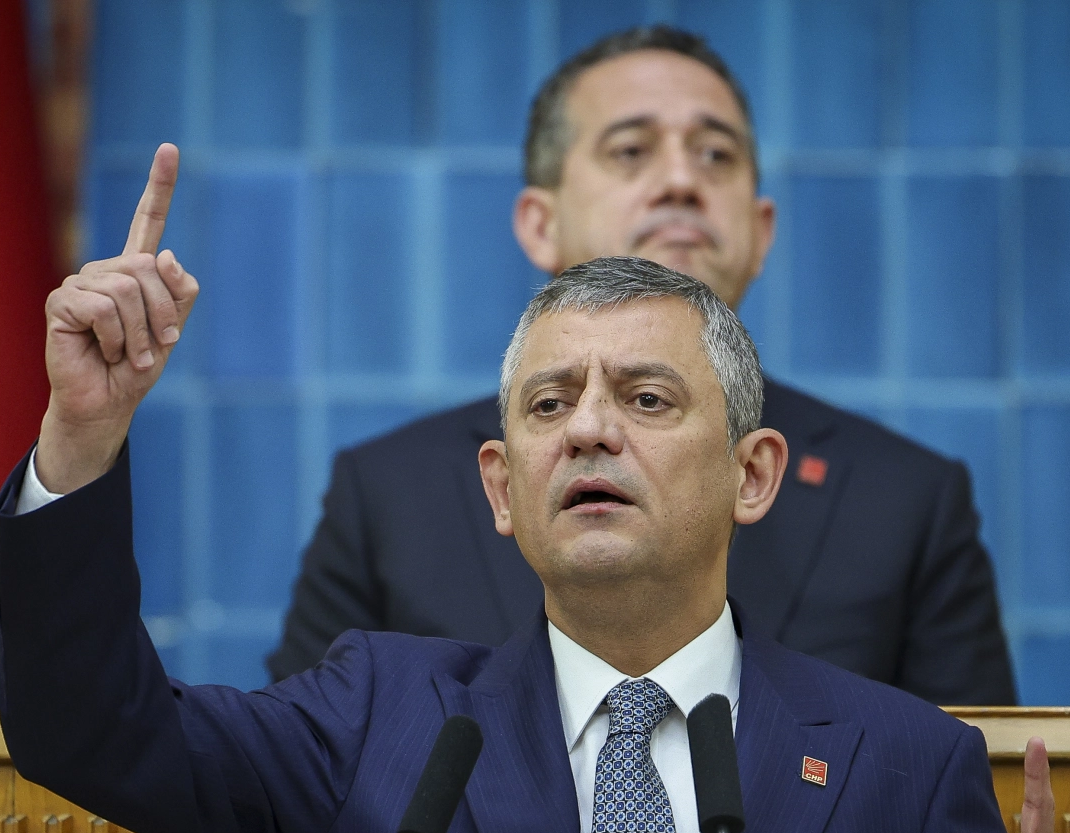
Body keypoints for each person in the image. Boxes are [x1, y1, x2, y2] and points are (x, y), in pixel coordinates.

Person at [0, 145, 1070, 833]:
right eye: (548, 403)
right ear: (500, 488)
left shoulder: (901, 766)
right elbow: (89, 730)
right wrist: (81, 437)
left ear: (754, 474)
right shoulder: (376, 720)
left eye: (646, 397)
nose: (587, 429)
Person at [268, 26, 1017, 706]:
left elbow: (970, 792)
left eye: (716, 154)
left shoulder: (905, 501)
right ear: (540, 222)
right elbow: (297, 778)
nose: (682, 181)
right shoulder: (389, 495)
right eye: (631, 151)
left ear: (760, 233)